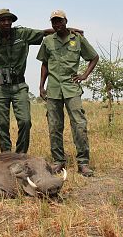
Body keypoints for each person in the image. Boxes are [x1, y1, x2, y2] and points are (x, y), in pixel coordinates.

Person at [0, 8, 82, 154]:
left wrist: (70, 30)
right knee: (2, 124)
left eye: (9, 19)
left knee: (25, 121)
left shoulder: (22, 34)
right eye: (3, 20)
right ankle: (6, 155)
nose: (6, 22)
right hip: (1, 87)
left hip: (19, 86)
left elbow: (44, 33)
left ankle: (21, 155)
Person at [36, 10, 99, 177]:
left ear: (65, 21)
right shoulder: (48, 41)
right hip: (54, 89)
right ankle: (58, 161)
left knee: (79, 124)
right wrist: (41, 86)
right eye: (54, 22)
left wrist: (84, 75)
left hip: (72, 88)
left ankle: (83, 163)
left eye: (59, 21)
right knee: (54, 126)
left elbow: (93, 57)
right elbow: (44, 64)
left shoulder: (77, 39)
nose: (57, 25)